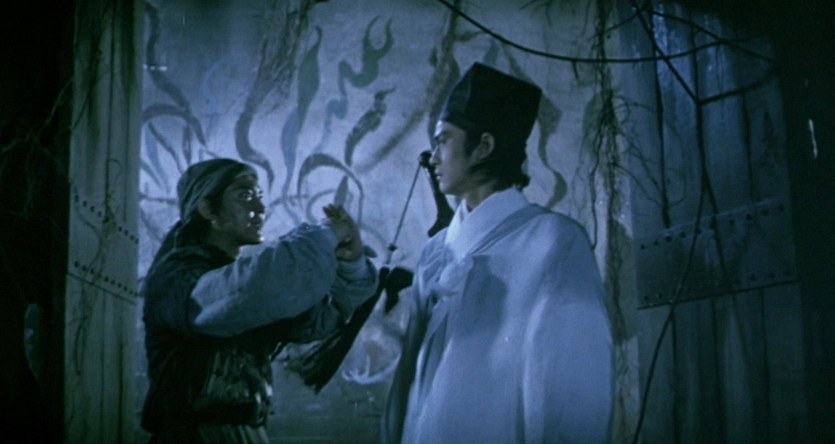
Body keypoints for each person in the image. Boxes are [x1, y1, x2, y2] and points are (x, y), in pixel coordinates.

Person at [381, 63, 614, 444]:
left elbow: (571, 401)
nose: (432, 157)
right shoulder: (435, 253)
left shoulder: (553, 243)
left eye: (443, 141)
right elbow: (407, 384)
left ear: (483, 147)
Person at [141, 158, 378, 443]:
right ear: (207, 209)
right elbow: (239, 295)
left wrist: (351, 267)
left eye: (259, 195)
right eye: (244, 194)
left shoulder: (246, 289)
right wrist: (324, 236)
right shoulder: (176, 277)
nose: (260, 207)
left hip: (245, 432)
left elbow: (316, 322)